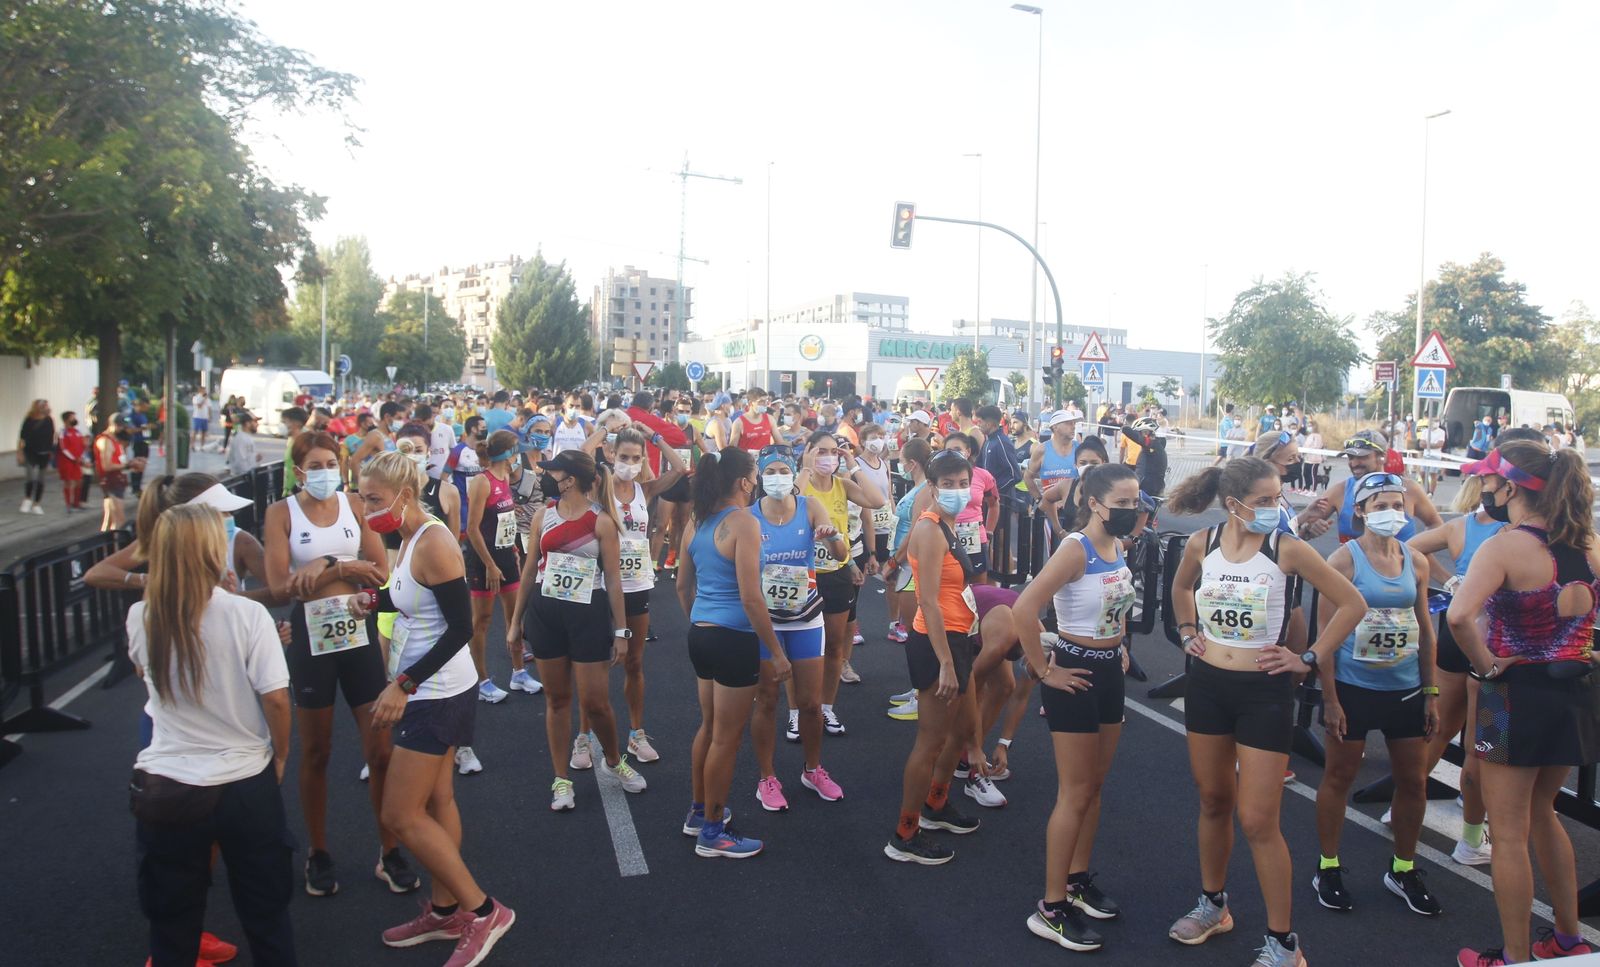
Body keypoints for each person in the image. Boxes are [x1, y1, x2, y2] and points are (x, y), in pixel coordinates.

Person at [1164, 456, 1366, 967]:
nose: (1278, 507)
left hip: (1264, 691)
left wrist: (1309, 658)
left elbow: (1351, 604)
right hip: (1208, 684)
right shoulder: (1201, 543)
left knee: (1257, 819)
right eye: (1265, 501)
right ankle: (1214, 906)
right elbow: (1180, 587)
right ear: (1233, 506)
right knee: (1212, 800)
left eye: (1279, 497)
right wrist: (1188, 631)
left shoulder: (1288, 549)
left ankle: (1284, 943)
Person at [348, 452, 516, 964]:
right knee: (439, 801)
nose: (365, 507)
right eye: (361, 496)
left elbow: (462, 628)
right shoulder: (410, 539)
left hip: (436, 692)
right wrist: (373, 602)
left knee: (400, 813)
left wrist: (403, 684)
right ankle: (445, 912)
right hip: (429, 689)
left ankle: (483, 911)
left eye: (374, 498)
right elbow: (410, 598)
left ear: (404, 493)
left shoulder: (436, 541)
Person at [1449, 442, 1600, 966]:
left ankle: (1513, 957)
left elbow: (1459, 617)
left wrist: (1486, 664)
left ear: (1511, 487)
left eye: (1489, 481)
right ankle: (1567, 938)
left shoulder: (1505, 545)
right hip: (1572, 697)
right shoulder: (1587, 544)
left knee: (1508, 832)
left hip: (1512, 696)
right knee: (1545, 811)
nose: (1483, 490)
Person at [128, 504, 297, 967]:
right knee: (267, 916)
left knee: (172, 925)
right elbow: (277, 699)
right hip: (245, 779)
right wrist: (279, 755)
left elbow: (147, 677)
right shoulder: (246, 615)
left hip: (167, 783)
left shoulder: (141, 615)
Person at [263, 432, 417, 897]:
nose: (325, 470)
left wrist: (329, 565)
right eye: (315, 464)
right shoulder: (280, 513)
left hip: (358, 635)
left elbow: (378, 570)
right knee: (317, 752)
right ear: (298, 471)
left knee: (381, 749)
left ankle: (389, 850)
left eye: (332, 461)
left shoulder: (354, 504)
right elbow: (278, 587)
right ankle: (318, 851)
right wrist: (342, 569)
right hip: (312, 639)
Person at [1013, 463, 1141, 951]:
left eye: (1136, 502)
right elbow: (1025, 608)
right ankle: (1050, 906)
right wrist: (1043, 670)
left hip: (1108, 670)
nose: (1132, 511)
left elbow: (1115, 605)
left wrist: (1120, 642)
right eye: (1123, 504)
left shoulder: (1116, 546)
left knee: (1095, 787)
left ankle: (1077, 879)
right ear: (1094, 503)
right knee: (1074, 791)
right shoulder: (1075, 548)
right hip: (1074, 672)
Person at [1311, 472, 1442, 917]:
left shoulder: (1416, 561)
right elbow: (1324, 634)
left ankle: (1403, 868)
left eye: (1397, 504)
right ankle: (1328, 865)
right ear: (1362, 510)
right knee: (1339, 777)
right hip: (1353, 688)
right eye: (1382, 505)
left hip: (1405, 688)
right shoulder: (1342, 561)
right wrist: (1329, 698)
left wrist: (1431, 690)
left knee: (1414, 781)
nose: (1393, 513)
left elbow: (1426, 628)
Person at [509, 448, 644, 811]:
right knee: (556, 700)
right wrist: (515, 622)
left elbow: (614, 580)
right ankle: (561, 779)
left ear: (570, 479)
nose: (547, 477)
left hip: (588, 615)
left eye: (553, 472)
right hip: (546, 614)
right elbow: (529, 569)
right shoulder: (542, 516)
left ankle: (614, 760)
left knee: (596, 702)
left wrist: (621, 633)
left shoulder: (601, 521)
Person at [676, 448, 788, 856]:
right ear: (744, 481)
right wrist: (776, 652)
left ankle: (699, 811)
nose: (758, 481)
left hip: (702, 634)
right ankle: (712, 832)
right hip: (733, 638)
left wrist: (702, 622)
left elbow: (681, 587)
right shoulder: (744, 521)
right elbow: (751, 598)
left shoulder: (697, 520)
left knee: (709, 728)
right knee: (726, 738)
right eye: (756, 474)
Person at [883, 449, 986, 865]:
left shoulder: (948, 526)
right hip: (937, 644)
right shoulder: (928, 530)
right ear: (931, 486)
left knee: (960, 731)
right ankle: (905, 834)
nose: (958, 491)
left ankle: (936, 805)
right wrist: (945, 661)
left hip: (960, 638)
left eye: (964, 483)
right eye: (949, 484)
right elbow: (926, 599)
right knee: (930, 742)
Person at [1406, 470, 1503, 866]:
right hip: (1489, 639)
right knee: (1480, 744)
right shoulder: (1518, 534)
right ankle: (1470, 839)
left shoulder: (1461, 526)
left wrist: (1452, 581)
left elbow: (1410, 547)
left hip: (1453, 631)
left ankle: (1402, 807)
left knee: (1440, 728)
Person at [750, 444, 849, 811]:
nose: (777, 477)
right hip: (765, 621)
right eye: (770, 471)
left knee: (810, 702)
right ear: (760, 476)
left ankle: (813, 768)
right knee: (767, 700)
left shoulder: (809, 506)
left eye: (783, 470)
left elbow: (840, 556)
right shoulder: (749, 516)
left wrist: (831, 536)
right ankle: (767, 777)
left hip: (806, 615)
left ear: (794, 473)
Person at [795, 430, 885, 738]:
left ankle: (826, 708)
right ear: (808, 453)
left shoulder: (843, 485)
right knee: (801, 650)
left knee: (833, 646)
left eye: (834, 451)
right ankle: (796, 713)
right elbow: (784, 507)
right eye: (821, 451)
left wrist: (854, 463)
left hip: (836, 572)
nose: (828, 457)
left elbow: (877, 500)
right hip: (801, 576)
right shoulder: (801, 483)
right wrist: (805, 469)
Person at [607, 427, 688, 763]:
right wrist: (603, 431)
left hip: (637, 583)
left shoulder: (645, 490)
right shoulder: (601, 488)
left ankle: (636, 733)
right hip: (603, 584)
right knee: (596, 665)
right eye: (623, 457)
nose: (629, 463)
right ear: (612, 456)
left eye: (635, 458)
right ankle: (584, 735)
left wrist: (655, 439)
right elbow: (581, 457)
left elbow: (680, 468)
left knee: (634, 662)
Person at [463, 429, 533, 707]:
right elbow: (472, 528)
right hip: (483, 560)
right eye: (517, 449)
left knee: (515, 616)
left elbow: (504, 520)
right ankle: (481, 680)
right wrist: (490, 565)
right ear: (508, 453)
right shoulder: (482, 481)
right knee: (481, 622)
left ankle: (518, 673)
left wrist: (514, 550)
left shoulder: (505, 478)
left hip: (505, 554)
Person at [94, 413, 136, 531]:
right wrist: (127, 465)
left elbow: (118, 462)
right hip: (111, 481)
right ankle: (115, 547)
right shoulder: (106, 441)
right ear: (114, 425)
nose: (124, 430)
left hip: (116, 481)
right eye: (122, 427)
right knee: (119, 521)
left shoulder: (114, 440)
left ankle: (105, 547)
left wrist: (130, 466)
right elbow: (106, 465)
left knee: (109, 520)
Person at [17, 398, 56, 515]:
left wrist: (51, 451)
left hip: (44, 453)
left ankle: (37, 503)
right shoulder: (29, 420)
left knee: (41, 479)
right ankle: (27, 499)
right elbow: (22, 437)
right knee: (30, 476)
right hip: (30, 451)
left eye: (46, 405)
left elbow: (52, 437)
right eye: (43, 405)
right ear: (37, 407)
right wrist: (19, 453)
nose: (45, 407)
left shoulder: (49, 420)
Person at [57, 410, 89, 511]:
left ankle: (76, 503)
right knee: (69, 482)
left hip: (78, 462)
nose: (75, 419)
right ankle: (68, 504)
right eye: (72, 418)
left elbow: (83, 446)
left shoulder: (78, 432)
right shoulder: (63, 432)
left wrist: (82, 457)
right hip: (67, 462)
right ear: (66, 420)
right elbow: (63, 448)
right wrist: (74, 458)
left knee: (79, 481)